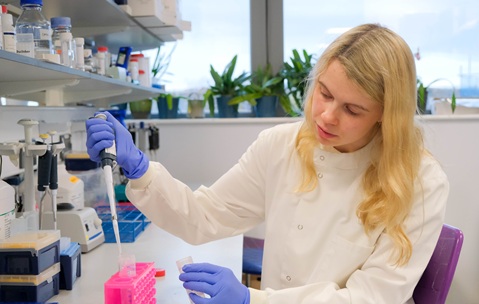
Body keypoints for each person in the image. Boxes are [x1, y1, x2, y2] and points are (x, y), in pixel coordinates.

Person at [86, 23, 448, 304]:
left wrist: (250, 298)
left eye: (352, 109)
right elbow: (206, 216)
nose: (326, 115)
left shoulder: (419, 181)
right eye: (324, 92)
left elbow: (372, 298)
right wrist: (139, 169)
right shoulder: (281, 145)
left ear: (387, 115)